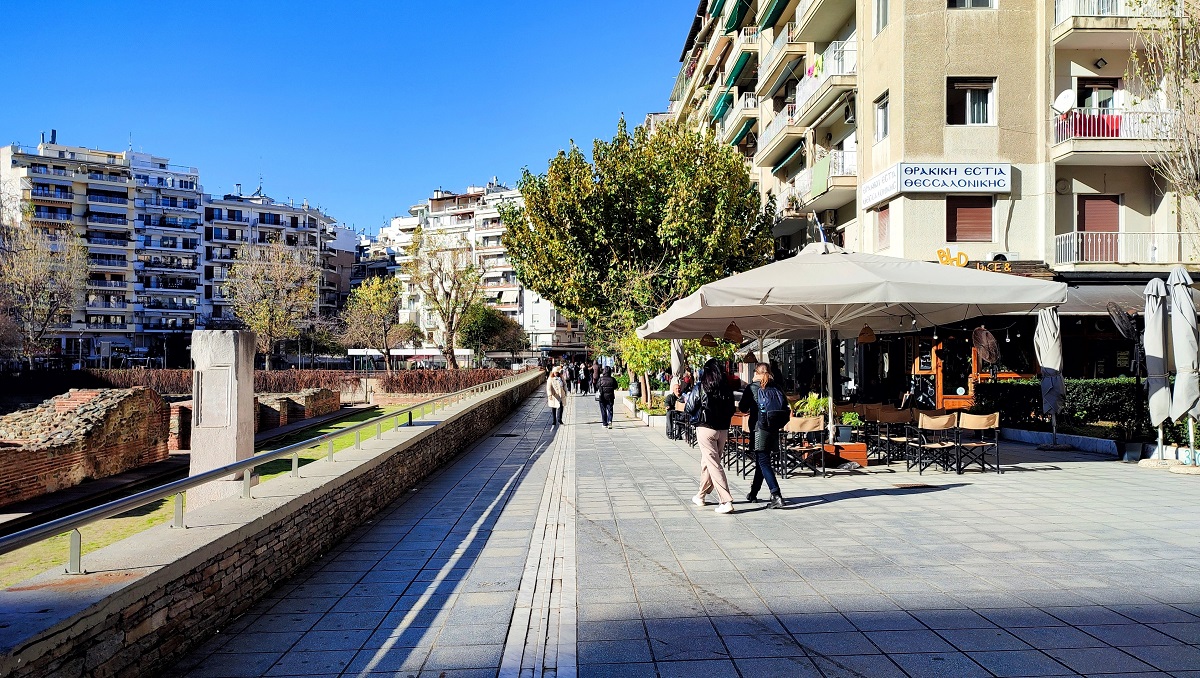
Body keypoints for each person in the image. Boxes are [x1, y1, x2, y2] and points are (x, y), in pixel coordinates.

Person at [684, 358, 737, 514]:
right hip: (723, 430)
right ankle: (700, 495)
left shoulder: (701, 387)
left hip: (706, 428)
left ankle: (725, 500)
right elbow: (731, 409)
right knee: (709, 462)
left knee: (713, 464)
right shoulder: (726, 388)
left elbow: (689, 407)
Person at [738, 363, 788, 509]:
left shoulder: (753, 387)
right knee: (762, 461)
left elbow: (742, 407)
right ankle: (753, 493)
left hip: (759, 429)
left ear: (756, 372)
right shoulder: (776, 386)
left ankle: (776, 494)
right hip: (774, 428)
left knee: (763, 461)